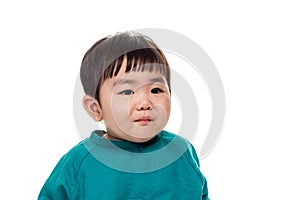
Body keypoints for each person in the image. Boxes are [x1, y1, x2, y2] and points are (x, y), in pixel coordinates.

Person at [38, 32, 209, 200]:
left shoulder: (181, 152)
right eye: (127, 91)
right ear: (95, 109)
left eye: (156, 90)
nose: (144, 103)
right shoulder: (78, 163)